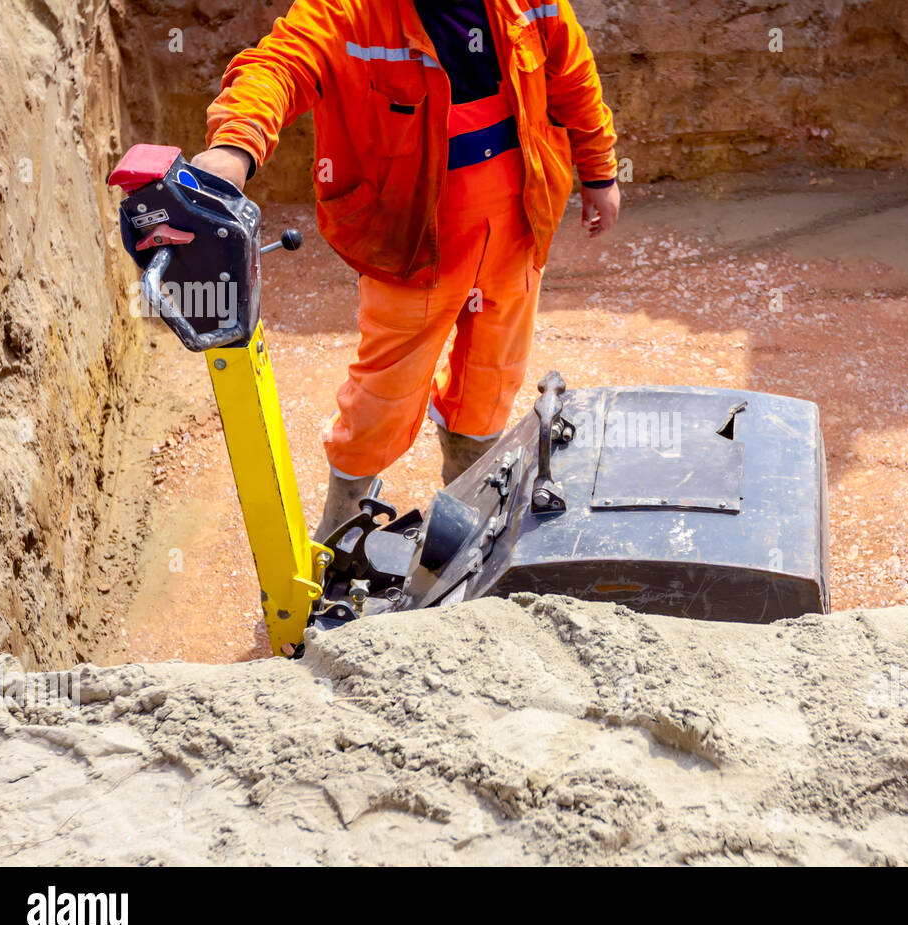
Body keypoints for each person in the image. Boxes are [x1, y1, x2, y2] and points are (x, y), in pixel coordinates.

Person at [190, 0, 620, 538]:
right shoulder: (346, 11)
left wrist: (600, 171)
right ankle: (345, 523)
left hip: (517, 224)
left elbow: (573, 75)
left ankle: (469, 503)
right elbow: (277, 66)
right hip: (411, 242)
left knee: (492, 376)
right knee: (384, 394)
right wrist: (235, 146)